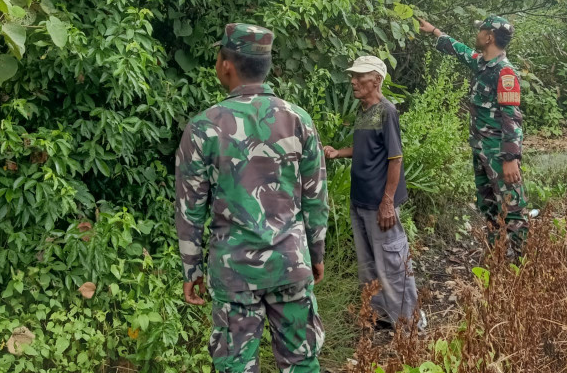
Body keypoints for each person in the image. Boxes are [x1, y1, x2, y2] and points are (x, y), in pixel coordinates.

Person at [175, 23, 328, 373]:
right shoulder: (298, 120)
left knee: (235, 366)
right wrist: (315, 252)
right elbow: (316, 196)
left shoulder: (204, 127)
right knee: (302, 362)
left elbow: (189, 209)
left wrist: (191, 268)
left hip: (234, 272)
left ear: (226, 65)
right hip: (291, 262)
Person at [323, 55, 422, 329]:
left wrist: (387, 201)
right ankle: (380, 315)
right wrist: (338, 153)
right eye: (352, 76)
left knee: (392, 261)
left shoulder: (386, 111)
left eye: (359, 76)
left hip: (380, 203)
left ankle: (410, 323)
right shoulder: (363, 111)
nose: (353, 81)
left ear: (377, 80)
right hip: (360, 200)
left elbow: (395, 158)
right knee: (368, 263)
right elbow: (368, 149)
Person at [417, 15, 528, 256]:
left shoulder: (505, 73)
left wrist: (510, 159)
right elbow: (461, 50)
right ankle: (495, 257)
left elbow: (512, 119)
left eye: (481, 30)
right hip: (481, 150)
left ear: (489, 37)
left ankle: (520, 270)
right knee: (488, 207)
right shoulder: (482, 63)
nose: (477, 34)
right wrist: (434, 30)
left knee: (513, 211)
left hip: (500, 154)